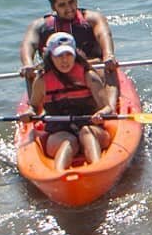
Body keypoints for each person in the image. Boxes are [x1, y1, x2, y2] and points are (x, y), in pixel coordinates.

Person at [26, 32, 117, 171]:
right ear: (50, 56)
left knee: (86, 132)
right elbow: (34, 107)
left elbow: (107, 108)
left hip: (91, 128)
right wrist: (29, 112)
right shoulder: (42, 80)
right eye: (59, 56)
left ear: (75, 54)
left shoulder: (89, 76)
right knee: (69, 140)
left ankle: (98, 170)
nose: (64, 60)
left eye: (68, 55)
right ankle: (59, 175)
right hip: (59, 132)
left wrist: (101, 114)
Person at [20, 0, 117, 85]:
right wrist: (28, 64)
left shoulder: (93, 19)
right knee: (32, 73)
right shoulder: (39, 26)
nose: (69, 8)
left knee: (104, 66)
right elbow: (28, 44)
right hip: (57, 71)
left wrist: (108, 55)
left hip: (92, 68)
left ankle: (110, 98)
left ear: (76, 0)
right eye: (62, 5)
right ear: (54, 7)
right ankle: (34, 101)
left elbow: (103, 34)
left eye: (71, 2)